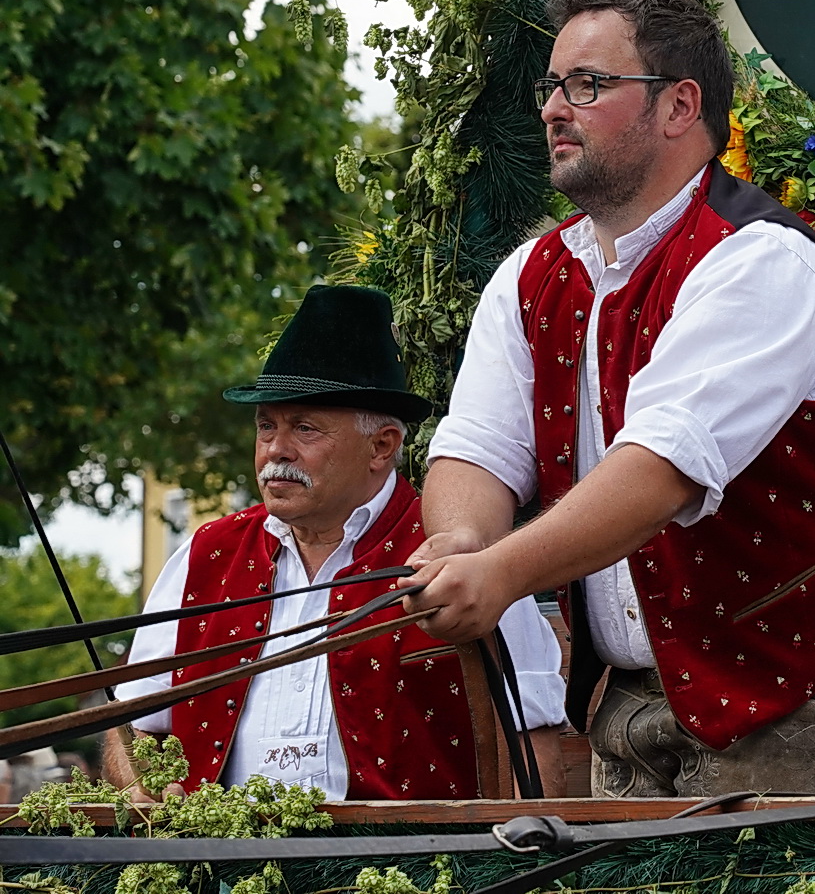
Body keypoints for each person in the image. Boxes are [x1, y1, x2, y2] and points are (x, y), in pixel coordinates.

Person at [405, 0, 815, 798]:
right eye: (552, 86)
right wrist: (461, 547)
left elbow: (660, 467)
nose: (555, 107)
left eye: (587, 84)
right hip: (629, 693)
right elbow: (476, 449)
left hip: (807, 678)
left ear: (679, 105)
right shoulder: (527, 277)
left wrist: (502, 575)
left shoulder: (765, 262)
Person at [107, 285, 567, 800]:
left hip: (413, 869)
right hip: (221, 868)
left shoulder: (463, 552)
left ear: (381, 446)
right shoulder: (206, 554)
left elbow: (532, 740)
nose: (276, 451)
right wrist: (144, 788)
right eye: (265, 427)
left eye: (305, 428)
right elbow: (135, 721)